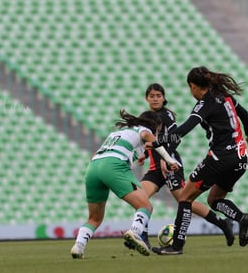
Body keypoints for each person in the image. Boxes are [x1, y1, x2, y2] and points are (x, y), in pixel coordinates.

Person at [150, 66, 248, 255]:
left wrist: (159, 141)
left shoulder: (204, 103)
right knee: (214, 200)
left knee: (185, 197)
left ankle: (176, 246)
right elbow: (245, 114)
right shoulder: (224, 96)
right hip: (241, 157)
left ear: (193, 86)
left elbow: (185, 128)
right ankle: (241, 218)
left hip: (219, 157)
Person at [124, 83, 235, 250]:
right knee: (141, 198)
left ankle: (222, 223)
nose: (155, 99)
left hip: (170, 165)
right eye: (152, 96)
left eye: (158, 96)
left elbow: (176, 138)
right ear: (146, 98)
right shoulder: (146, 116)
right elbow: (151, 141)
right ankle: (141, 236)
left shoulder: (166, 115)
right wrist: (145, 155)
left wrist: (166, 159)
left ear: (163, 98)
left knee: (184, 200)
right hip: (155, 169)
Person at [70, 110, 180, 258]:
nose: (158, 133)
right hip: (114, 165)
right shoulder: (144, 130)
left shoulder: (118, 133)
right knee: (145, 206)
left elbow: (139, 145)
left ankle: (79, 246)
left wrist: (142, 154)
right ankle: (134, 232)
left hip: (93, 167)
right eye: (158, 129)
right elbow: (153, 141)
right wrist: (170, 160)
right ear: (154, 125)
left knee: (94, 218)